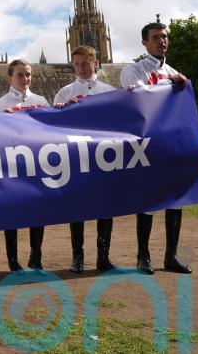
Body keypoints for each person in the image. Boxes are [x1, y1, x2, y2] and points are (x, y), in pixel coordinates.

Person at [120, 22, 192, 275]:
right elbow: (141, 99)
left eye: (164, 37)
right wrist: (171, 84)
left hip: (173, 144)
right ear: (145, 43)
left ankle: (171, 256)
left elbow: (185, 115)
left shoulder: (174, 72)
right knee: (148, 201)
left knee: (176, 200)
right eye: (156, 37)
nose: (162, 41)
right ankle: (143, 256)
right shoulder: (134, 70)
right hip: (148, 144)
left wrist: (195, 150)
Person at [53, 45, 117, 273]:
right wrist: (63, 111)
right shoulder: (64, 93)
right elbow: (53, 128)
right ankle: (77, 258)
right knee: (77, 210)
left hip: (104, 157)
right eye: (77, 64)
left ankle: (103, 257)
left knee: (106, 208)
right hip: (76, 158)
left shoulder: (109, 91)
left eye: (85, 63)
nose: (81, 68)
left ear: (95, 63)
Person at [0, 59, 49, 272]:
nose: (25, 78)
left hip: (36, 165)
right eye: (20, 75)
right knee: (11, 215)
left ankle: (36, 257)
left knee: (38, 213)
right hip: (10, 167)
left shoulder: (41, 101)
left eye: (28, 74)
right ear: (10, 78)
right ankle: (13, 261)